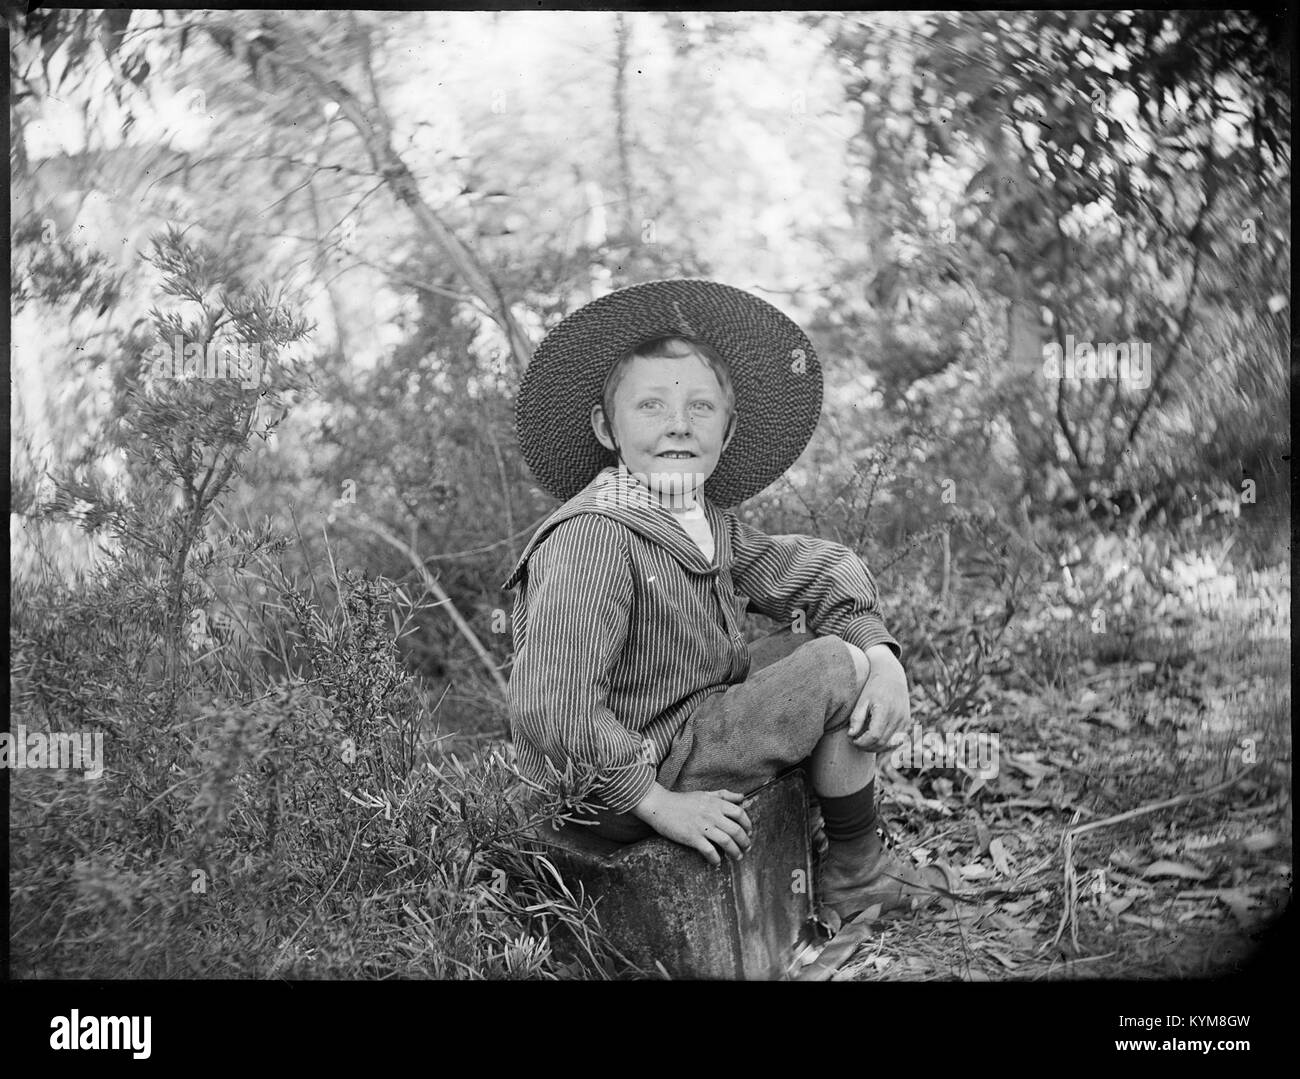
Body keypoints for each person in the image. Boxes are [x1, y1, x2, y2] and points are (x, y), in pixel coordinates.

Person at [503, 280, 954, 919]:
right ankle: (857, 872)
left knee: (822, 650)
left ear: (729, 425)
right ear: (608, 428)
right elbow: (553, 706)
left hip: (687, 729)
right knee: (830, 667)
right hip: (628, 779)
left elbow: (807, 571)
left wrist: (881, 654)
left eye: (702, 408)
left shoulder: (702, 519)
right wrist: (659, 804)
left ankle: (834, 841)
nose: (679, 425)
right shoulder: (594, 538)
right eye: (651, 406)